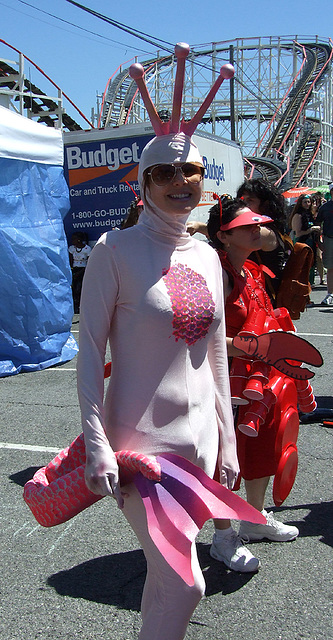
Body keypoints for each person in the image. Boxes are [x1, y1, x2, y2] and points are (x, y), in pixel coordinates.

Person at [76, 123, 243, 636]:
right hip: (144, 451)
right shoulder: (113, 250)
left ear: (203, 179)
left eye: (190, 170)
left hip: (203, 446)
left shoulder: (209, 256)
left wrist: (229, 442)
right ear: (143, 183)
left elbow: (215, 355)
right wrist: (96, 445)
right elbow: (88, 353)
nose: (179, 181)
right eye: (164, 172)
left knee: (164, 577)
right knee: (185, 585)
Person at [206, 197, 299, 567]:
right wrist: (247, 348)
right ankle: (224, 536)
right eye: (246, 226)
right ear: (223, 237)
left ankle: (253, 518)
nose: (257, 230)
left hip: (261, 378)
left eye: (257, 224)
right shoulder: (217, 272)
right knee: (225, 458)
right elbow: (199, 331)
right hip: (226, 378)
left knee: (264, 443)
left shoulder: (254, 271)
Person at [289, 194, 321, 286]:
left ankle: (309, 285)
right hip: (302, 243)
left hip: (311, 243)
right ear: (300, 203)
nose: (307, 204)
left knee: (311, 266)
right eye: (305, 202)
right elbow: (298, 233)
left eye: (308, 202)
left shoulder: (310, 214)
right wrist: (311, 229)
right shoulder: (298, 215)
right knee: (303, 267)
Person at [316, 183, 333, 305]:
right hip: (329, 239)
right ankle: (330, 294)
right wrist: (319, 242)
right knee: (331, 268)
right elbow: (318, 224)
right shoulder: (325, 207)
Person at [68, 232, 91, 314]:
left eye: (74, 239)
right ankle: (75, 306)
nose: (72, 241)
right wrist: (72, 270)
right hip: (74, 270)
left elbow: (89, 263)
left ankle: (81, 306)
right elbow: (70, 261)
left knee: (80, 288)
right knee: (74, 289)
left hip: (83, 270)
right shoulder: (71, 249)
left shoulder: (87, 249)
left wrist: (80, 272)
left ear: (78, 240)